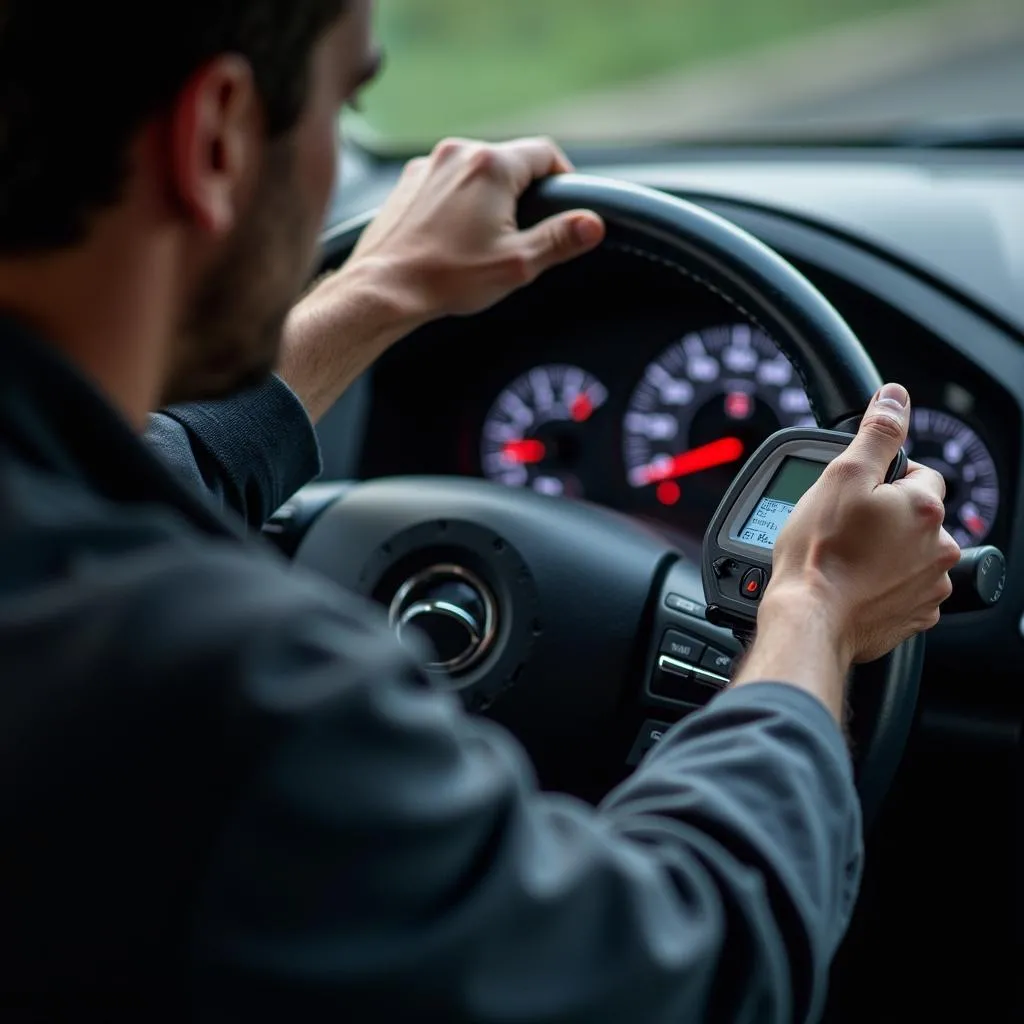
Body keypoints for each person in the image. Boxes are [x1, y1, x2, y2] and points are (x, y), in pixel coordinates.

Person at [0, 2, 960, 1022]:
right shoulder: (241, 698)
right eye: (347, 103)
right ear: (218, 137)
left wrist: (373, 288)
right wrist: (814, 610)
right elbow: (689, 965)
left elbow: (131, 470)